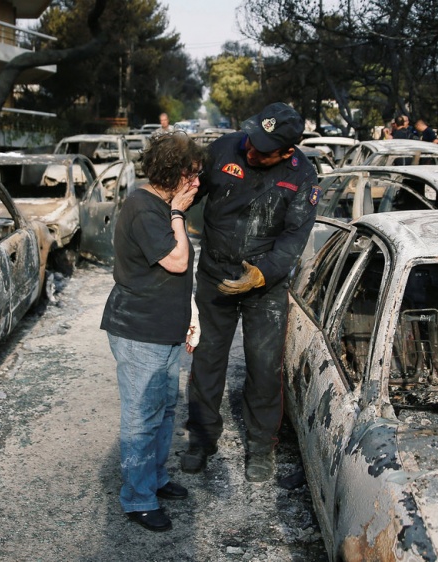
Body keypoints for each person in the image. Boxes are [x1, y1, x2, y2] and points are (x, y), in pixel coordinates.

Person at [181, 102, 320, 483]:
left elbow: (294, 238)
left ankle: (261, 447)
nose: (251, 150)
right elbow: (189, 194)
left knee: (263, 368)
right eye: (252, 140)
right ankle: (202, 440)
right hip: (214, 276)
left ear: (288, 150)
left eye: (263, 148)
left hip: (265, 288)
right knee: (207, 361)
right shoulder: (225, 148)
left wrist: (261, 275)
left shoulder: (303, 177)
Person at [101, 132, 205, 532]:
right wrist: (179, 213)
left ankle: (155, 480)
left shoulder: (159, 203)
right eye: (191, 175)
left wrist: (189, 314)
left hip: (164, 328)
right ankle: (138, 499)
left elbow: (176, 279)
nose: (197, 183)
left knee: (163, 412)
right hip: (139, 329)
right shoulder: (147, 209)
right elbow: (177, 262)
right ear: (170, 174)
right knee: (143, 417)